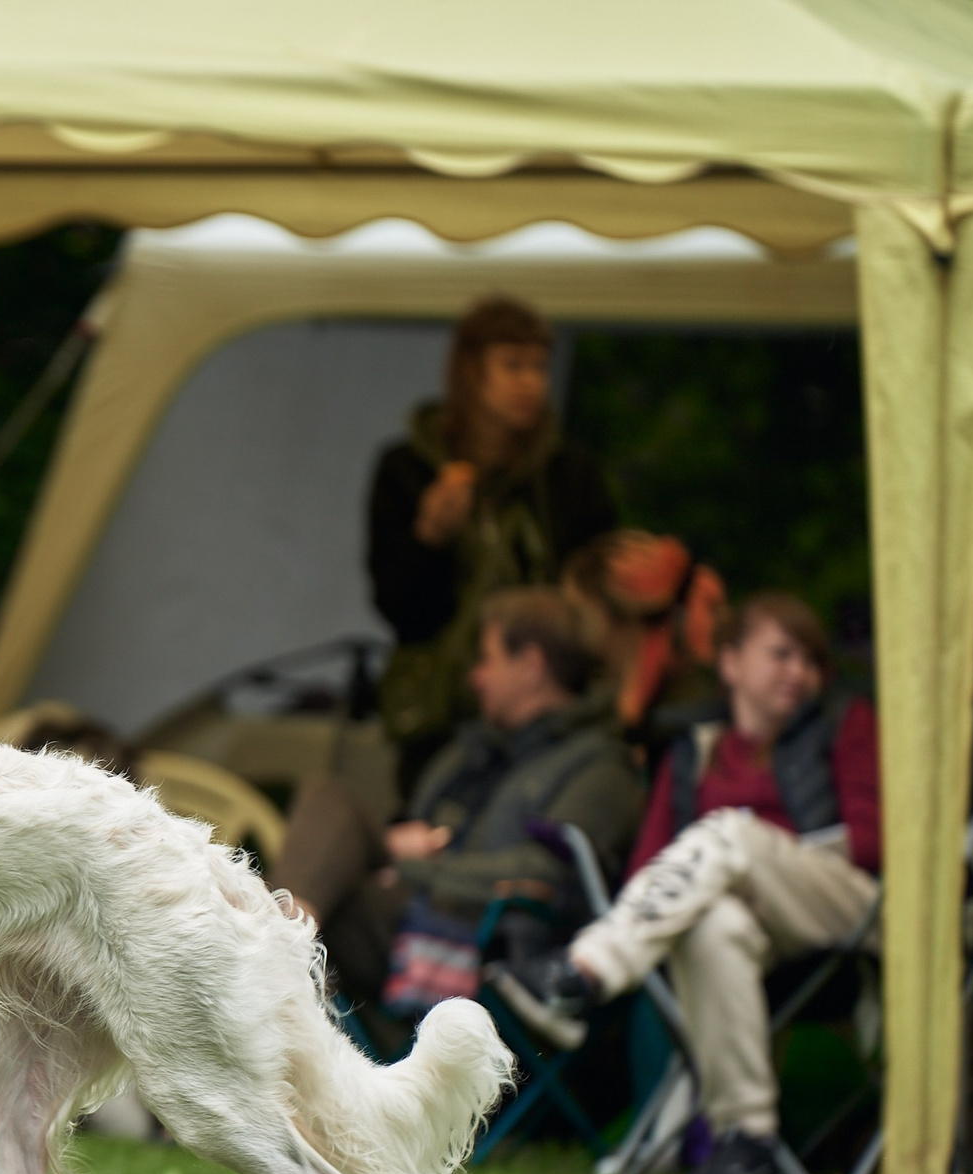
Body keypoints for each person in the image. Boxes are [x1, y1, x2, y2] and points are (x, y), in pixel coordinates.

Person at [490, 594, 879, 1174]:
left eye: (809, 661)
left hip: (847, 908)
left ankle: (583, 971)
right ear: (730, 663)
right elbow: (651, 866)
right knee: (715, 924)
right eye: (781, 655)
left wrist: (760, 856)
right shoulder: (691, 752)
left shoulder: (843, 726)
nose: (798, 673)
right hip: (755, 936)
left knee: (726, 835)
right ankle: (748, 1145)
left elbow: (876, 843)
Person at [273, 587, 644, 1015]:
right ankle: (283, 936)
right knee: (327, 796)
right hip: (414, 905)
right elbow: (416, 828)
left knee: (315, 904)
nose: (476, 677)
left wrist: (409, 868)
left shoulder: (601, 770)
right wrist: (394, 849)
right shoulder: (476, 750)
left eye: (487, 659)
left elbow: (545, 876)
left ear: (531, 666)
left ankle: (275, 943)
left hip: (482, 939)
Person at [368, 295, 616, 791]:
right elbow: (399, 608)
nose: (531, 383)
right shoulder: (409, 469)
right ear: (470, 372)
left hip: (547, 705)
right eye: (512, 365)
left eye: (539, 368)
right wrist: (429, 538)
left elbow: (596, 592)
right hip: (440, 709)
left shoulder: (567, 473)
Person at [560, 529, 727, 748]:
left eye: (581, 617)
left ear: (626, 624)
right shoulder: (699, 701)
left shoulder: (674, 724)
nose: (578, 634)